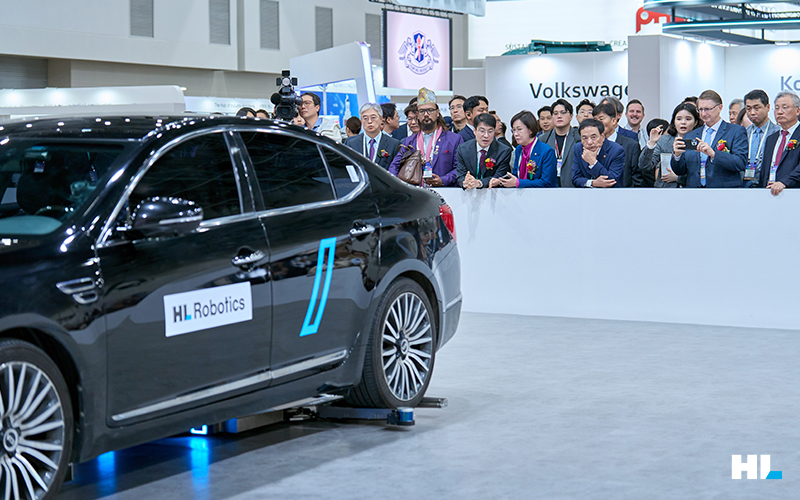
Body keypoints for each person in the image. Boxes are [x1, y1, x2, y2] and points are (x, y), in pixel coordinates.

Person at [671, 89, 748, 188]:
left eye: (707, 109)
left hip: (723, 190)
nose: (703, 114)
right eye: (700, 109)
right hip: (695, 191)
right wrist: (677, 156)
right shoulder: (691, 135)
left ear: (719, 108)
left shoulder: (735, 131)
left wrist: (714, 154)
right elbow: (680, 171)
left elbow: (740, 163)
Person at [389, 87, 463, 187]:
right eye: (422, 111)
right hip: (415, 192)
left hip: (444, 191)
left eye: (430, 110)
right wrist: (398, 185)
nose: (426, 114)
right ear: (417, 115)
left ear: (437, 112)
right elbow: (394, 166)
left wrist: (443, 180)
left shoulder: (454, 139)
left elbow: (459, 168)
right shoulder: (409, 141)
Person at [638, 103, 701, 188]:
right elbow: (645, 166)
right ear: (674, 121)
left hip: (691, 190)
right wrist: (651, 143)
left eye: (688, 119)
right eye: (679, 119)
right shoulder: (663, 141)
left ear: (695, 122)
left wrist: (679, 178)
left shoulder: (700, 142)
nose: (683, 122)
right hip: (665, 190)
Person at [489, 110, 557, 188]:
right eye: (513, 130)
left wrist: (519, 183)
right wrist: (501, 181)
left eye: (519, 129)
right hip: (521, 194)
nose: (515, 134)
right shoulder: (519, 149)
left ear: (530, 130)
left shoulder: (547, 151)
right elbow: (515, 175)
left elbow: (546, 182)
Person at [758, 91, 800, 196]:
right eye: (777, 108)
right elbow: (764, 171)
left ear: (797, 111)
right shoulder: (771, 138)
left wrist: (784, 182)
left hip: (793, 193)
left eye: (785, 107)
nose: (780, 112)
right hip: (769, 193)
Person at [456, 113, 512, 189]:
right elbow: (460, 175)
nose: (486, 135)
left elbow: (499, 176)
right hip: (469, 191)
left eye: (490, 131)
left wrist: (480, 183)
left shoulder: (503, 151)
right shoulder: (463, 149)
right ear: (474, 131)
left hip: (493, 192)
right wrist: (466, 182)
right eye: (482, 131)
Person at [593, 102, 642, 187]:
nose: (597, 124)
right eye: (595, 120)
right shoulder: (589, 144)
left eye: (601, 119)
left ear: (613, 120)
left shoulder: (630, 145)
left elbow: (637, 177)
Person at [571, 118, 625, 188]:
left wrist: (593, 163)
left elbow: (612, 180)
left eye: (593, 137)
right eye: (585, 138)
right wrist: (592, 183)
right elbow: (575, 178)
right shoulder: (578, 148)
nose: (589, 142)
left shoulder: (616, 150)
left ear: (602, 137)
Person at [345, 103, 400, 170]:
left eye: (373, 117)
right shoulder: (351, 143)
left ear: (381, 119)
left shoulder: (393, 144)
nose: (369, 121)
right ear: (361, 121)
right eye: (365, 118)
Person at [743, 89, 780, 188]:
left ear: (767, 107)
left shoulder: (778, 132)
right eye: (748, 109)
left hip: (769, 184)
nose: (752, 112)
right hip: (744, 185)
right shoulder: (743, 133)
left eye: (756, 108)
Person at [540, 98, 580, 187]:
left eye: (563, 113)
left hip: (573, 187)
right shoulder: (543, 139)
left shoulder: (578, 137)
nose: (559, 116)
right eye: (555, 113)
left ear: (571, 116)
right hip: (549, 187)